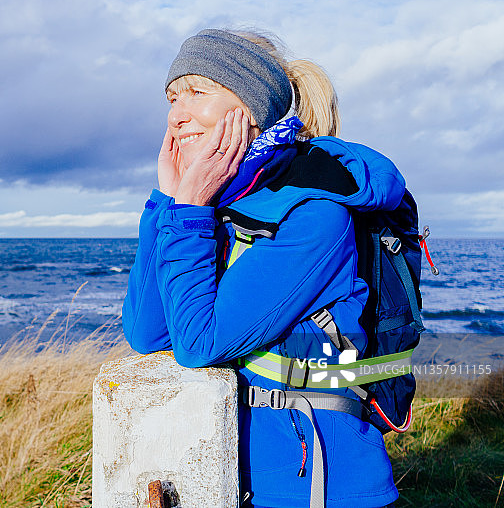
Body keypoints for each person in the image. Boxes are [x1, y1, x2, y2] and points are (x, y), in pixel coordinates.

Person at [122, 28, 401, 508]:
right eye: (172, 96)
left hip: (322, 487)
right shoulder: (227, 207)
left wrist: (187, 207)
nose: (175, 114)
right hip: (246, 477)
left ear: (251, 108)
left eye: (197, 91)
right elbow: (149, 333)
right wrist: (165, 202)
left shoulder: (314, 216)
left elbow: (199, 344)